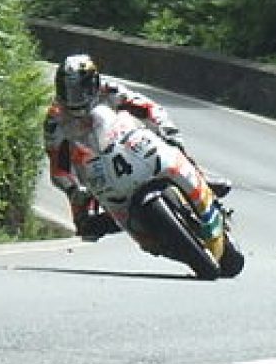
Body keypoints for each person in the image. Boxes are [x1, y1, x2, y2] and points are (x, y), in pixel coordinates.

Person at [43, 53, 229, 243]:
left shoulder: (109, 90)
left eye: (80, 89)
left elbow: (148, 108)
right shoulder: (55, 117)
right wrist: (73, 189)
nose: (75, 97)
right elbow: (56, 162)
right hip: (91, 167)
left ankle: (201, 179)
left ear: (93, 81)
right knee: (85, 226)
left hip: (125, 144)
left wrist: (167, 131)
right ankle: (135, 228)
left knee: (172, 147)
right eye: (68, 90)